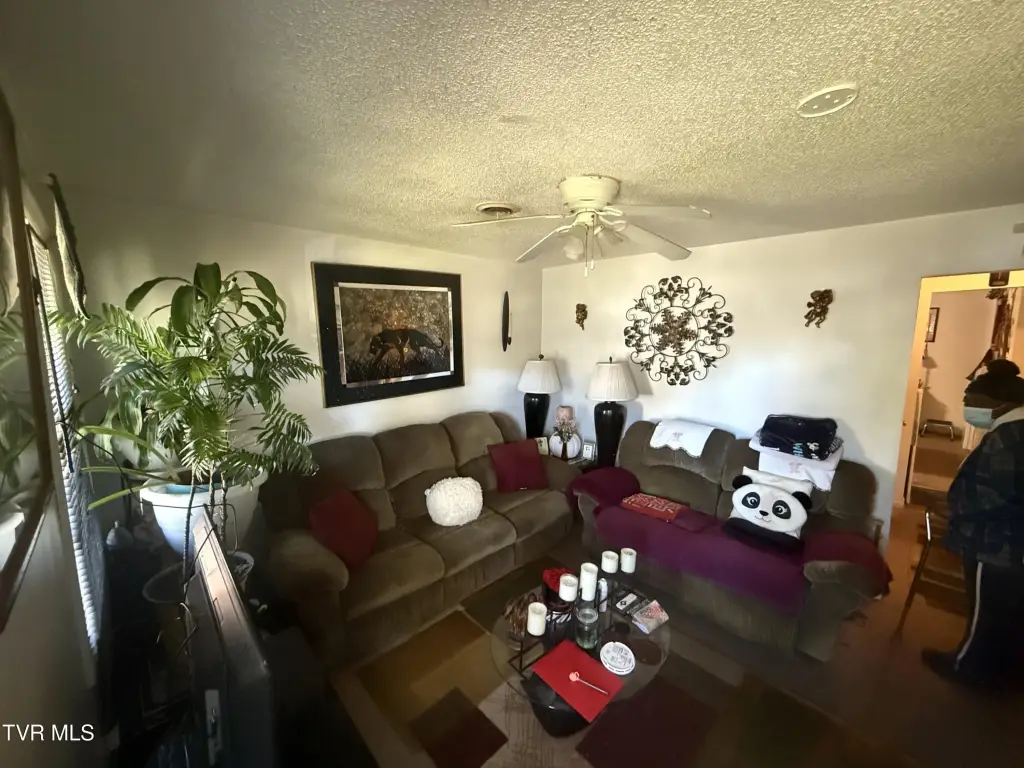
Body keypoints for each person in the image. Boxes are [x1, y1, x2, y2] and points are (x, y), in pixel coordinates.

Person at [921, 358, 1024, 689]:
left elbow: (996, 495)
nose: (967, 408)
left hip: (995, 542)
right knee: (1007, 610)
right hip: (1010, 540)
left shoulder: (1008, 439)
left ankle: (968, 667)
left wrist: (954, 507)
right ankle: (1005, 668)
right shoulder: (1013, 430)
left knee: (986, 611)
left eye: (971, 401)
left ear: (996, 403)